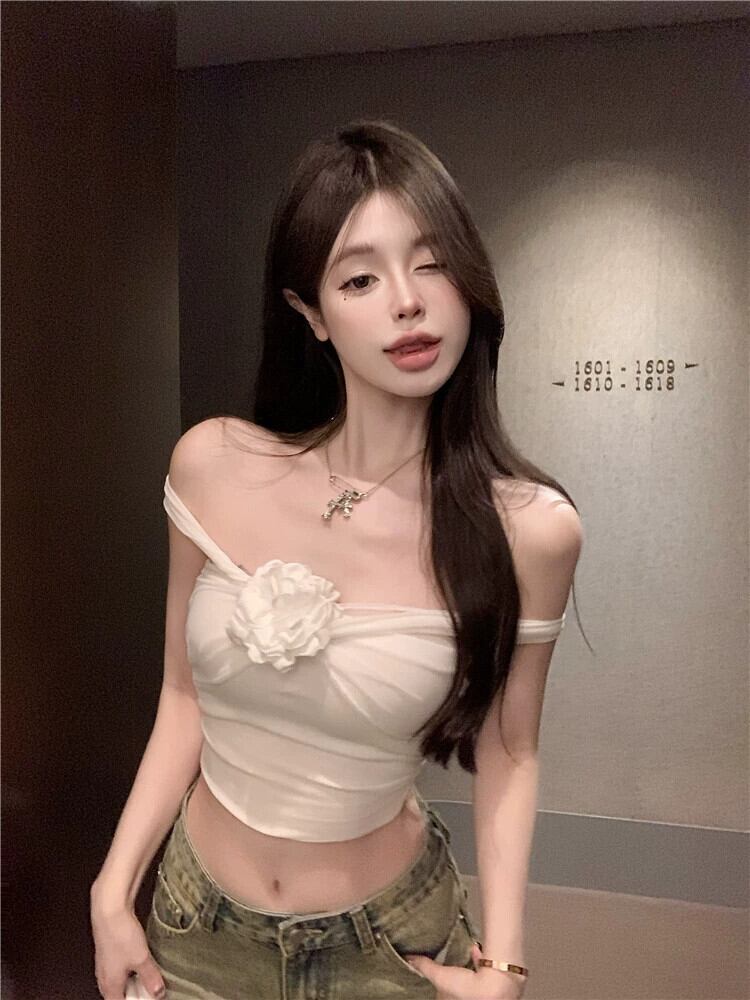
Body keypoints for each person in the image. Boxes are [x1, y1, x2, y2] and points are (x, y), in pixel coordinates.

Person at [90, 119, 584, 1000]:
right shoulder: (213, 465)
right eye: (360, 277)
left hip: (388, 945)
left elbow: (511, 748)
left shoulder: (529, 530)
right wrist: (111, 887)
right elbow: (183, 696)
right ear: (312, 314)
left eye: (432, 264)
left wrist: (504, 964)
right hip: (194, 929)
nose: (407, 301)